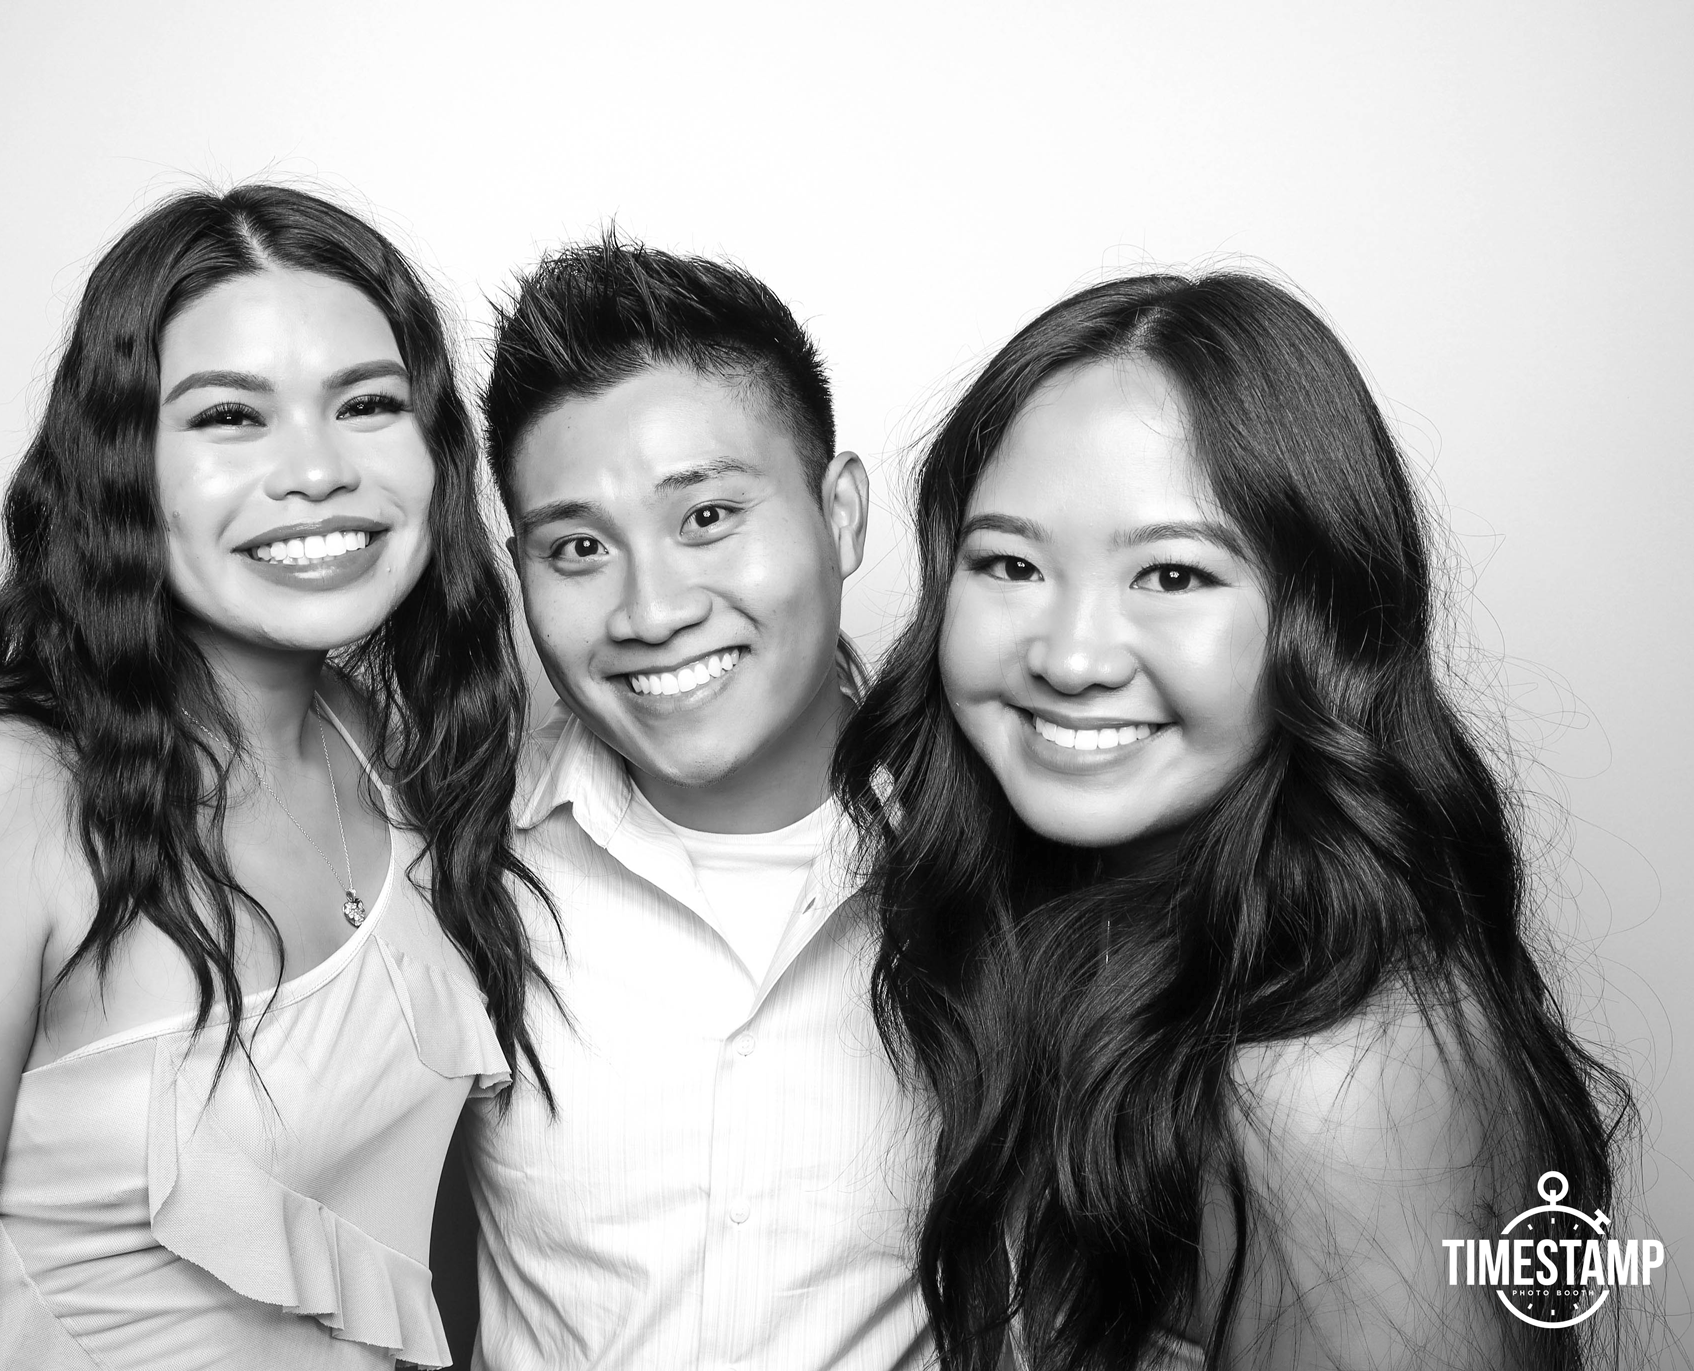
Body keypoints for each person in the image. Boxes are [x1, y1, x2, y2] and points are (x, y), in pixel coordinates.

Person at [0, 184, 550, 1370]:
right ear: (122, 468)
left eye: (364, 403)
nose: (315, 471)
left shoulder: (366, 737)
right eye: (228, 418)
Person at [835, 272, 1632, 1371]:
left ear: (1323, 616)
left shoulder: (1326, 1087)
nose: (1069, 657)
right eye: (1009, 563)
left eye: (1170, 573)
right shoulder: (1106, 934)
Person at [462, 233, 931, 1369]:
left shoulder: (1001, 855)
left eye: (707, 517)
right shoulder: (456, 864)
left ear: (844, 514)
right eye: (577, 547)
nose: (650, 609)